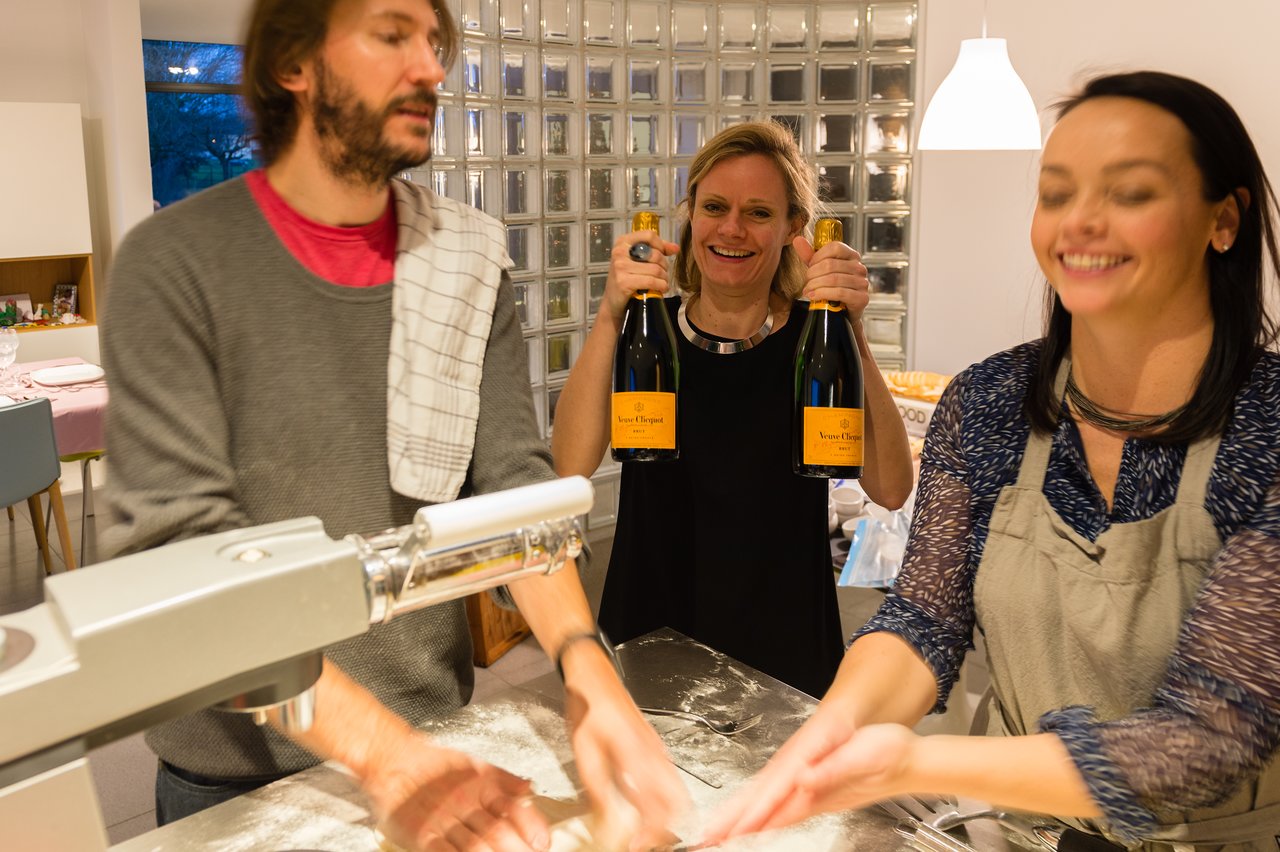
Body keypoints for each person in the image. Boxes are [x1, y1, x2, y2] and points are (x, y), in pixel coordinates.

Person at [100, 1, 686, 849]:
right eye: (392, 35)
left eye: (435, 43)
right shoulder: (175, 264)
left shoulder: (467, 256)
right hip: (236, 771)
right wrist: (384, 756)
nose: (431, 69)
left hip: (434, 729)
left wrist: (590, 676)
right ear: (293, 65)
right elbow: (179, 559)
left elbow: (517, 491)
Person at [704, 71, 1280, 851]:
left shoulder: (1267, 428)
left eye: (1131, 193)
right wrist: (830, 727)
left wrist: (914, 758)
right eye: (1056, 193)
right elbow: (925, 616)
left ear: (1224, 219)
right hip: (1015, 831)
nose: (1081, 222)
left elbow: (1212, 738)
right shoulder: (990, 402)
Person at [552, 122, 914, 699]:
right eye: (715, 207)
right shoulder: (649, 330)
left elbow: (892, 486)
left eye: (759, 213)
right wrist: (607, 316)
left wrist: (853, 331)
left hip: (784, 642)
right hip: (651, 627)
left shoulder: (814, 339)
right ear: (690, 214)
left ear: (795, 226)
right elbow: (569, 465)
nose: (732, 229)